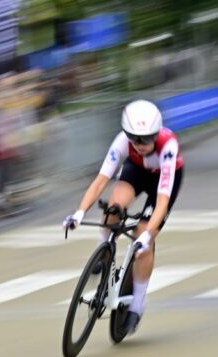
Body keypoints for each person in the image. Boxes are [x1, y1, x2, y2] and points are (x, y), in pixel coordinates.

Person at [63, 100, 184, 335]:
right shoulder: (122, 142)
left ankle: (136, 306)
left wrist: (147, 236)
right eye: (134, 138)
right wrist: (79, 213)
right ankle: (104, 250)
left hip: (164, 180)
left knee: (142, 237)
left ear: (156, 134)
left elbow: (161, 201)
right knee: (113, 208)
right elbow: (100, 181)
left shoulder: (168, 146)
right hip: (137, 172)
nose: (140, 145)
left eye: (147, 139)